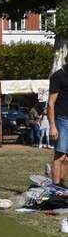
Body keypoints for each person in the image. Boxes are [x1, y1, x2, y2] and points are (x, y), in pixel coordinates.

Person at [48, 59, 68, 188]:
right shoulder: (57, 76)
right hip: (62, 120)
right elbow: (51, 103)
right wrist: (52, 126)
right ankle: (55, 188)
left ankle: (61, 185)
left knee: (67, 158)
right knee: (60, 156)